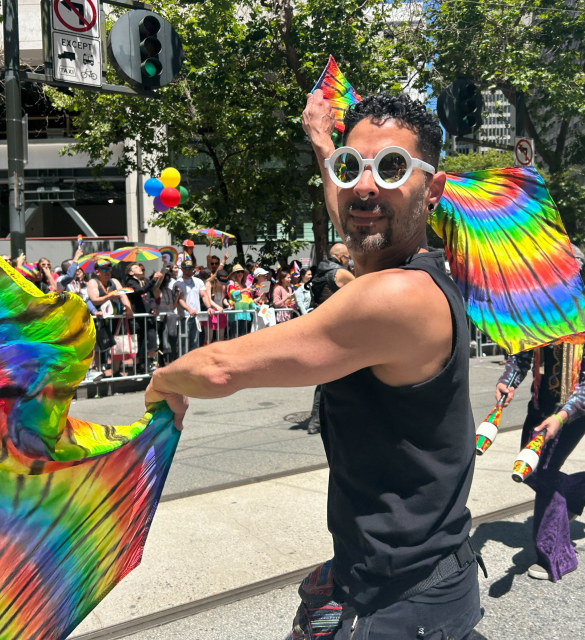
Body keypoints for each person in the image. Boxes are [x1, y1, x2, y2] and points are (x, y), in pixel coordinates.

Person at [147, 91, 483, 640]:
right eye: (352, 168)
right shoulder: (399, 269)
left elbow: (222, 368)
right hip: (410, 578)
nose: (365, 187)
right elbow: (351, 206)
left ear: (434, 189)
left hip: (403, 604)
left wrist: (162, 381)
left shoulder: (399, 297)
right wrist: (324, 143)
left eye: (393, 168)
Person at [495, 248, 585, 583]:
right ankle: (576, 487)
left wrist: (561, 417)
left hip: (577, 406)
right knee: (529, 470)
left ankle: (556, 555)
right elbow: (521, 353)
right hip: (541, 401)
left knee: (544, 473)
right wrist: (508, 381)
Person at [306, 245, 356, 434]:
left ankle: (317, 419)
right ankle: (322, 419)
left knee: (326, 376)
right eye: (348, 259)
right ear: (342, 257)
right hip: (339, 330)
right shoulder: (340, 273)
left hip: (321, 327)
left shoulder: (320, 271)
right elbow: (363, 290)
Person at [87, 259, 133, 376]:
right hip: (101, 320)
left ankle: (116, 371)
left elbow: (123, 295)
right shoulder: (93, 282)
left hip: (116, 319)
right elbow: (94, 300)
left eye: (109, 268)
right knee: (100, 346)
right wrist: (109, 296)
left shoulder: (114, 281)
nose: (108, 271)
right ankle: (98, 371)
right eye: (104, 269)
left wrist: (128, 308)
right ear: (97, 272)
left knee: (119, 344)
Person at [124, 263, 165, 373]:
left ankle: (150, 363)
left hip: (148, 316)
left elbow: (150, 297)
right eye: (136, 268)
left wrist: (153, 308)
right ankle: (138, 366)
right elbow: (140, 291)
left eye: (140, 267)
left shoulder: (145, 281)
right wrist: (153, 280)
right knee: (140, 343)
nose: (140, 269)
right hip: (138, 317)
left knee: (151, 339)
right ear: (131, 272)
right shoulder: (130, 282)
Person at [175, 257, 222, 352]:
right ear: (182, 269)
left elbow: (204, 295)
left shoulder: (198, 281)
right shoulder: (178, 283)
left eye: (191, 268)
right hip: (184, 317)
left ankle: (193, 365)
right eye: (187, 268)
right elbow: (180, 299)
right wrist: (189, 310)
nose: (189, 270)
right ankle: (183, 364)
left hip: (196, 317)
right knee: (183, 343)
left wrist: (209, 307)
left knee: (195, 342)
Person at [309, 243, 355, 309]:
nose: (349, 260)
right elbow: (361, 290)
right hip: (336, 314)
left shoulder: (321, 269)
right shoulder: (341, 272)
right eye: (348, 257)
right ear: (342, 257)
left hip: (319, 312)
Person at [226, 264, 253, 338]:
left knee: (243, 337)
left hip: (244, 314)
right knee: (235, 338)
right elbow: (232, 294)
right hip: (235, 315)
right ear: (234, 274)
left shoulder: (245, 285)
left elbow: (249, 299)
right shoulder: (232, 283)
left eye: (241, 271)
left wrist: (254, 305)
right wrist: (241, 291)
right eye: (238, 272)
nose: (240, 273)